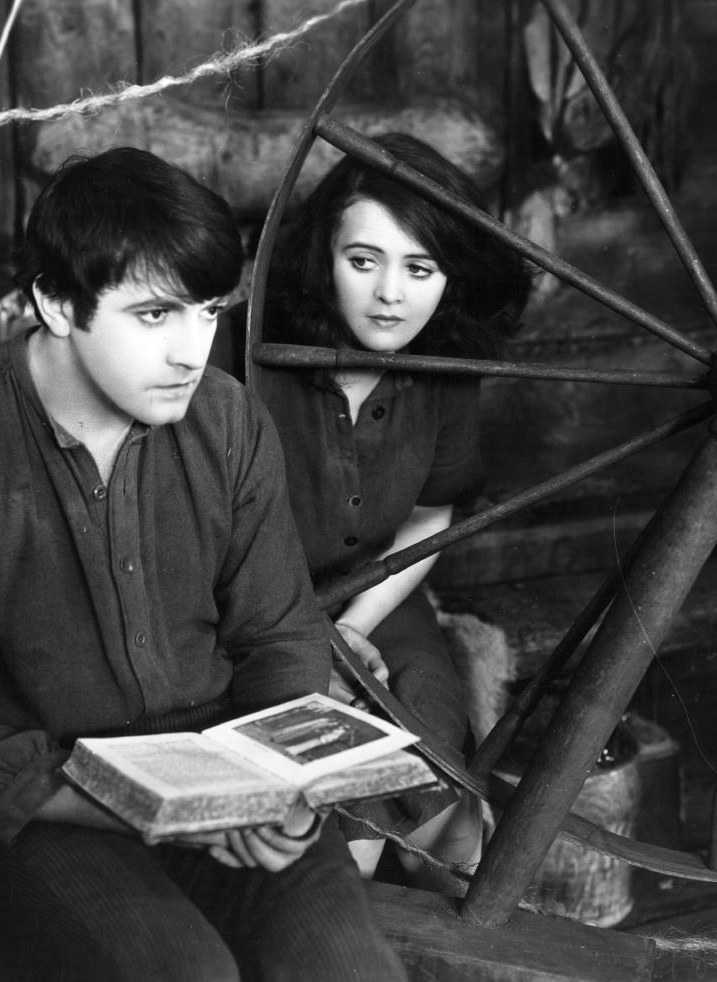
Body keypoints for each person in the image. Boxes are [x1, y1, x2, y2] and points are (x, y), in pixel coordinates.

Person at [0, 146, 406, 981]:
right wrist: (153, 815)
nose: (192, 350)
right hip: (49, 804)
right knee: (187, 974)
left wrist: (288, 793)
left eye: (209, 312)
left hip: (228, 781)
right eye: (154, 316)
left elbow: (276, 631)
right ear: (54, 302)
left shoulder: (227, 421)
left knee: (346, 971)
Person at [217, 133, 529, 890]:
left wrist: (352, 630)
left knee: (445, 809)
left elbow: (431, 516)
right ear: (324, 255)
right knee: (334, 816)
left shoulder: (442, 371)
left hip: (377, 600)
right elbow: (199, 537)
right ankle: (336, 911)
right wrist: (311, 646)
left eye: (419, 268)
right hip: (243, 612)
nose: (390, 294)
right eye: (364, 261)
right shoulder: (241, 348)